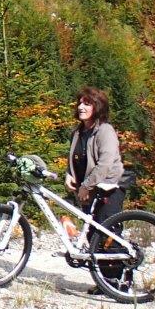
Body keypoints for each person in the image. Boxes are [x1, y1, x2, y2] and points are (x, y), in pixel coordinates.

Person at [64, 86, 125, 288]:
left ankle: (118, 281)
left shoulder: (105, 131)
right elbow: (75, 156)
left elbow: (105, 163)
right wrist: (69, 174)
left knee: (108, 235)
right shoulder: (79, 132)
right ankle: (104, 283)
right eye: (80, 103)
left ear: (96, 107)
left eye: (87, 103)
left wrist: (86, 186)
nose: (81, 107)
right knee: (92, 234)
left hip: (108, 187)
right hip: (88, 189)